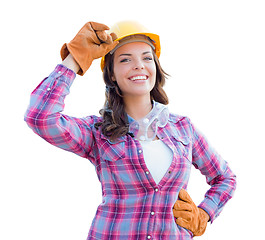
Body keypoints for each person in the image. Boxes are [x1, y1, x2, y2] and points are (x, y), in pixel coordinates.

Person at [24, 21, 236, 239]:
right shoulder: (98, 132)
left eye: (146, 57)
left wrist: (203, 214)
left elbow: (225, 178)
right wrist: (74, 58)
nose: (139, 65)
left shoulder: (183, 129)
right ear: (112, 74)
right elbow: (40, 117)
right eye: (125, 59)